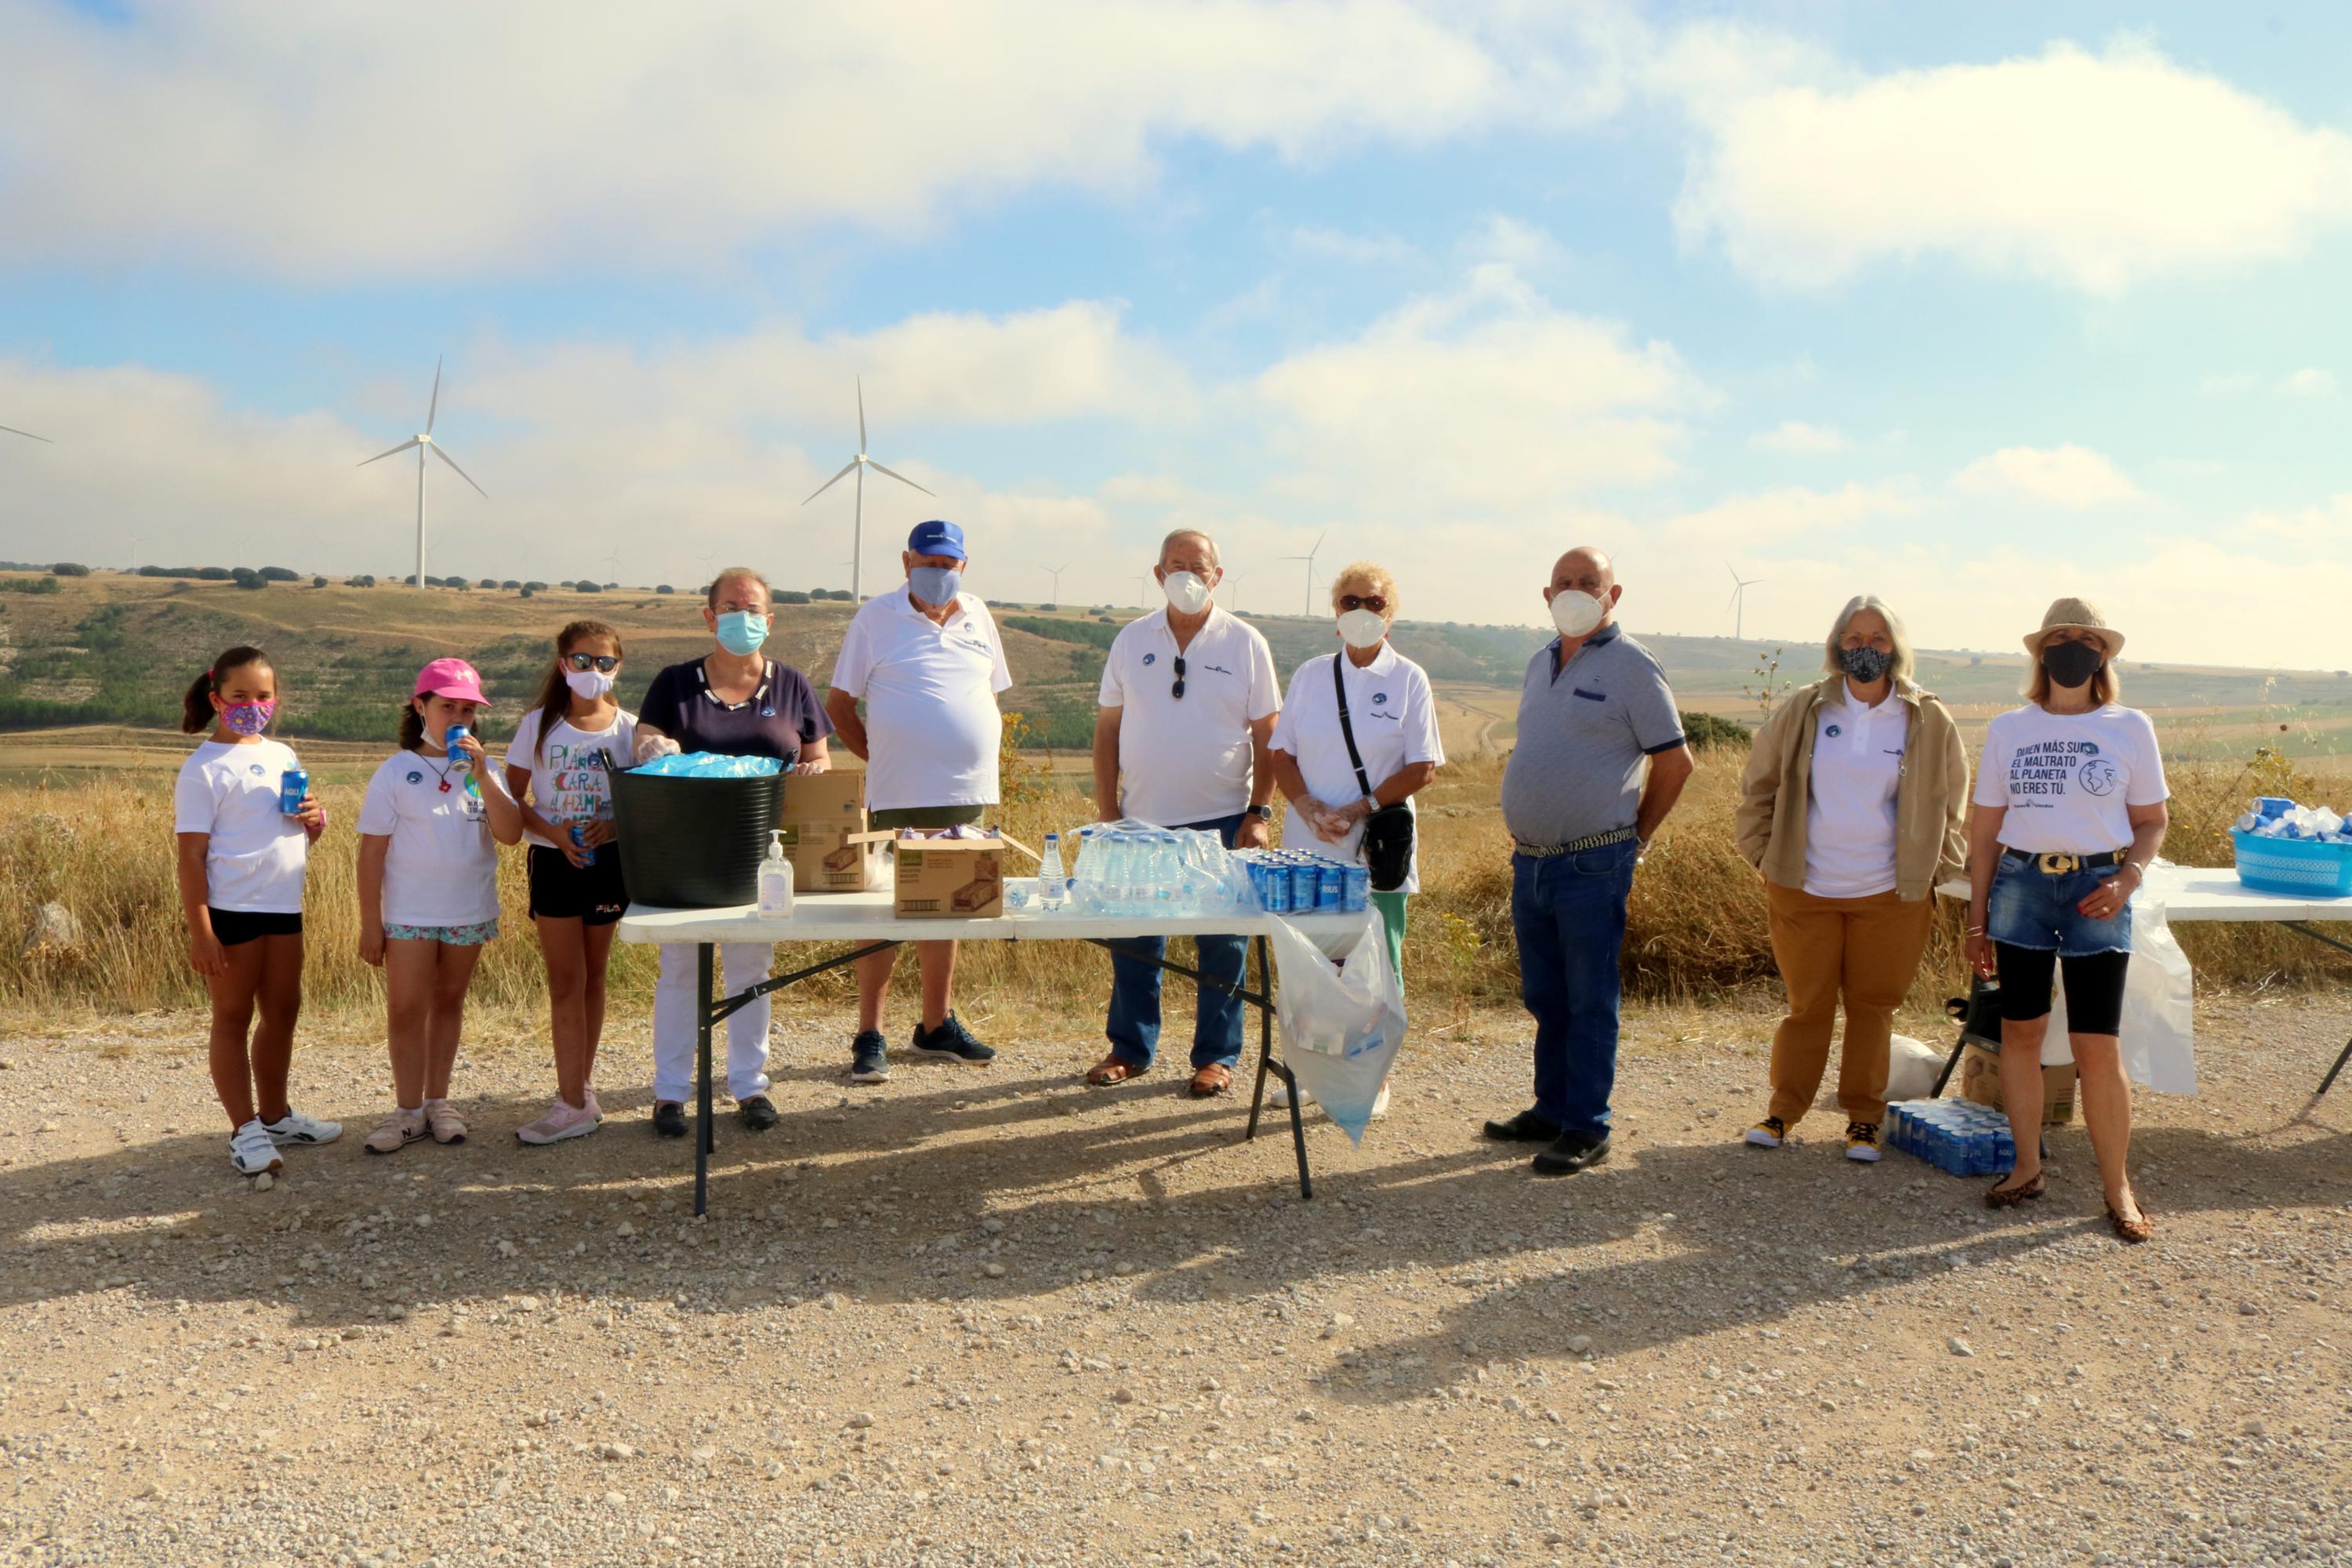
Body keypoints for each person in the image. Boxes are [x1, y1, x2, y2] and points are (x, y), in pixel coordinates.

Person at [1734, 595, 1969, 1162]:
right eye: (1855, 638)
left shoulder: (1926, 716)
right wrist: (1764, 855)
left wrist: (1938, 867)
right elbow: (1759, 783)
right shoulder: (1807, 707)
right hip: (1804, 888)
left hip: (1890, 894)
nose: (1866, 649)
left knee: (1872, 1008)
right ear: (1838, 646)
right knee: (1807, 1007)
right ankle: (1783, 1112)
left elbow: (1954, 801)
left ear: (1896, 648)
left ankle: (1863, 1119)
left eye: (1879, 639)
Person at [1485, 547, 1693, 1175]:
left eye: (1588, 582)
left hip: (1594, 863)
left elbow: (1676, 761)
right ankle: (1551, 1109)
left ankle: (1587, 1126)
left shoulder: (1632, 665)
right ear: (1545, 595)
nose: (1575, 591)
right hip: (1534, 862)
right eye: (1565, 583)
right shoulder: (1538, 662)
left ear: (1613, 594)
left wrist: (1638, 838)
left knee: (1589, 998)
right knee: (1546, 996)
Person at [1965, 599, 2167, 1243]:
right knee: (2021, 1036)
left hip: (2099, 890)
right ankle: (2027, 1167)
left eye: (2086, 639)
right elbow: (1985, 831)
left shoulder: (2130, 726)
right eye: (2061, 638)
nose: (2073, 648)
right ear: (2041, 652)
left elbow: (2152, 822)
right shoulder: (2008, 728)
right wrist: (1976, 918)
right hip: (2022, 888)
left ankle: (2118, 1187)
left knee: (2096, 1047)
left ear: (2102, 655)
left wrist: (2128, 879)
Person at [633, 568, 832, 1134]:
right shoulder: (675, 683)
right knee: (679, 969)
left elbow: (820, 759)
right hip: (684, 853)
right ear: (709, 615)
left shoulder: (793, 685)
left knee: (750, 969)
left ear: (769, 620)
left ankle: (749, 1087)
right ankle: (670, 1093)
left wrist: (816, 768)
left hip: (761, 856)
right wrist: (651, 743)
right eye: (729, 607)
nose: (741, 618)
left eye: (752, 610)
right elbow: (641, 742)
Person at [1085, 528, 1281, 1096]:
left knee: (1223, 941)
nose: (1188, 576)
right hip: (1140, 821)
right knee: (1135, 940)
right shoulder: (1130, 640)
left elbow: (1269, 736)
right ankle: (1129, 1049)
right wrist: (1108, 811)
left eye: (1199, 567)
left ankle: (1216, 1057)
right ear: (1157, 574)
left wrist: (1259, 812)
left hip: (1223, 819)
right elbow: (1107, 731)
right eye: (1176, 566)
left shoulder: (1245, 643)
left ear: (1218, 576)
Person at [826, 520, 1013, 1082]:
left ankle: (936, 1026)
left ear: (963, 565)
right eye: (927, 563)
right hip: (898, 794)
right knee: (883, 912)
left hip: (965, 796)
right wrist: (880, 757)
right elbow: (839, 705)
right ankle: (869, 1032)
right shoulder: (875, 618)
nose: (937, 574)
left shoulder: (979, 614)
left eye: (947, 565)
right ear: (907, 561)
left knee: (951, 905)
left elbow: (989, 691)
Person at [1264, 561, 1445, 1119]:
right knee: (1310, 967)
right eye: (1350, 602)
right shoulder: (1312, 676)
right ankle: (1314, 1073)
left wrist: (1360, 807)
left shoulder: (1409, 678)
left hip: (1376, 852)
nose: (1361, 613)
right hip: (1309, 849)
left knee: (1376, 968)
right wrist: (1308, 806)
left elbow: (1424, 767)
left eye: (1374, 604)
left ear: (1390, 616)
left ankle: (1371, 1077)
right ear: (1334, 613)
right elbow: (1280, 753)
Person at [171, 644, 338, 1176]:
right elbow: (191, 859)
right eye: (240, 696)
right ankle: (244, 1131)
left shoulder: (283, 755)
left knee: (284, 1010)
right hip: (231, 910)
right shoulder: (203, 768)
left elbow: (293, 835)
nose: (252, 705)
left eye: (262, 696)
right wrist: (202, 932)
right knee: (233, 1016)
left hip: (282, 903)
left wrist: (315, 821)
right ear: (216, 697)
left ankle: (276, 1114)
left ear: (276, 700)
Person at [355, 659, 524, 1155]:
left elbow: (511, 834)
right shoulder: (395, 770)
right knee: (407, 1008)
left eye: (467, 709)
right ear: (420, 706)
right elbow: (372, 852)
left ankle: (438, 1101)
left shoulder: (484, 768)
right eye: (446, 706)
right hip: (409, 912)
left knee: (448, 1004)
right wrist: (370, 924)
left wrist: (483, 774)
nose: (457, 717)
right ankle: (406, 1111)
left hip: (468, 910)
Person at [504, 619, 638, 1145]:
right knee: (565, 980)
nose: (593, 671)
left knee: (595, 976)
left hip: (609, 863)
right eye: (582, 661)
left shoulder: (629, 729)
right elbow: (511, 797)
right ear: (563, 664)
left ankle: (581, 1090)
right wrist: (555, 833)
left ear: (617, 667)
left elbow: (645, 798)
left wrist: (615, 824)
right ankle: (570, 1101)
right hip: (554, 861)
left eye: (604, 662)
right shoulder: (538, 725)